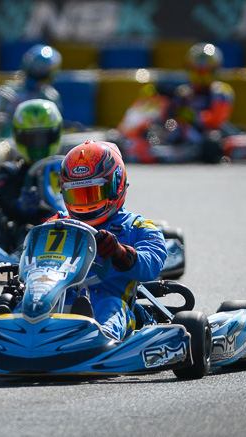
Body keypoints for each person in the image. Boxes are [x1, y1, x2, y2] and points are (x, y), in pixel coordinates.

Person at [47, 140, 167, 341]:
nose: (85, 204)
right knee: (23, 303)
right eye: (77, 195)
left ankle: (98, 340)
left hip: (110, 304)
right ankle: (5, 335)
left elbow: (152, 263)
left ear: (115, 185)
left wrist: (119, 252)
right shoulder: (57, 223)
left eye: (92, 193)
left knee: (110, 306)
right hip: (55, 301)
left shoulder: (137, 227)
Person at [0, 99, 62, 229]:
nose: (37, 144)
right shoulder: (11, 171)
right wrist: (20, 206)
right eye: (31, 138)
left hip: (70, 225)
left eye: (43, 137)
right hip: (29, 232)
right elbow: (6, 204)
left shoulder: (71, 168)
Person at [165, 42, 235, 145]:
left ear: (214, 70)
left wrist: (191, 115)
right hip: (184, 134)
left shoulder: (221, 92)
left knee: (211, 138)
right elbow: (169, 116)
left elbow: (215, 121)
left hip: (211, 138)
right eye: (196, 70)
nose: (200, 75)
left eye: (204, 71)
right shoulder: (183, 92)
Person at [9, 44, 63, 113]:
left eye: (42, 73)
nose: (37, 74)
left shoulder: (51, 97)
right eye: (34, 71)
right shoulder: (11, 90)